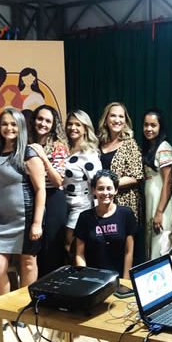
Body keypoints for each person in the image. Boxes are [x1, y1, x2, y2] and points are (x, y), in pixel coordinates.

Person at [0, 108, 46, 296]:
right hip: (1, 221)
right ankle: (5, 309)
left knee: (28, 263)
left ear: (21, 127)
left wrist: (37, 223)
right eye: (4, 124)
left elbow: (40, 189)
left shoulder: (28, 153)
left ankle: (24, 308)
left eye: (13, 124)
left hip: (26, 217)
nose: (9, 128)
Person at [28, 104, 70, 276]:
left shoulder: (58, 147)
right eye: (40, 119)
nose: (43, 124)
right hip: (31, 197)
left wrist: (43, 158)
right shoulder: (25, 143)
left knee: (52, 250)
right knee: (32, 250)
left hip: (53, 199)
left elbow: (59, 181)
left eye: (48, 121)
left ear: (53, 125)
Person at [74, 170, 138, 278]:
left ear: (115, 190)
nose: (105, 192)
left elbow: (129, 252)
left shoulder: (126, 214)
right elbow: (79, 254)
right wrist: (84, 279)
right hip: (93, 279)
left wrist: (126, 280)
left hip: (119, 278)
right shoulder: (84, 217)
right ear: (93, 190)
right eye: (100, 188)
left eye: (109, 188)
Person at [63, 110, 102, 257]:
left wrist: (99, 214)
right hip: (63, 204)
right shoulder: (64, 149)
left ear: (85, 128)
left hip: (80, 206)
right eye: (70, 124)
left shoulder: (89, 154)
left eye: (78, 124)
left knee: (71, 248)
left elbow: (97, 184)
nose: (73, 128)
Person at [97, 102, 144, 224]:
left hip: (123, 203)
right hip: (101, 201)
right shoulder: (98, 143)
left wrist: (109, 185)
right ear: (106, 120)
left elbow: (136, 177)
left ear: (125, 121)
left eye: (121, 116)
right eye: (113, 115)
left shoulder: (130, 144)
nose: (117, 120)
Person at [142, 109, 172, 259]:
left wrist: (159, 212)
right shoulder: (150, 147)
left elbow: (168, 181)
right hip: (151, 201)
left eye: (153, 125)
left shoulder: (164, 147)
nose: (149, 129)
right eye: (146, 125)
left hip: (161, 203)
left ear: (160, 127)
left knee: (160, 245)